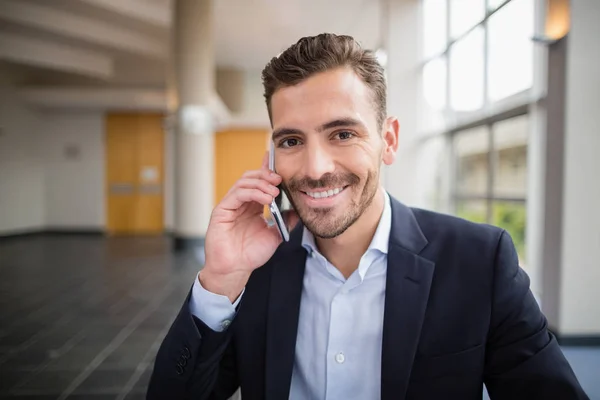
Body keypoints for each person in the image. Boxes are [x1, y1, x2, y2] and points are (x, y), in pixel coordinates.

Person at [148, 33, 588, 400]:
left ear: (389, 140)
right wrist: (221, 282)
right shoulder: (255, 269)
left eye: (342, 133)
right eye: (291, 141)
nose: (316, 168)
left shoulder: (479, 261)